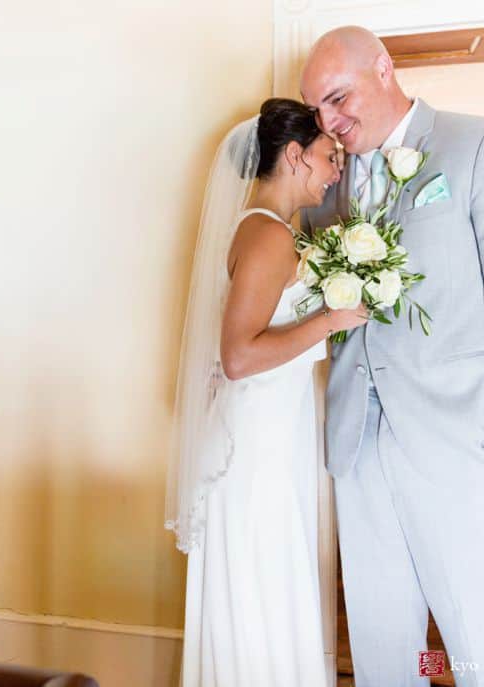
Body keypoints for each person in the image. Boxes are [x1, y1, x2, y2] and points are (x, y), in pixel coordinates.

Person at [300, 26, 484, 686]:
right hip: (358, 451)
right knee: (384, 653)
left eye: (338, 98)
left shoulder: (481, 145)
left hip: (463, 449)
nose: (329, 123)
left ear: (384, 69)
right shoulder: (327, 185)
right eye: (317, 111)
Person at [165, 97, 366, 687]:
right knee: (261, 583)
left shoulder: (276, 232)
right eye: (330, 157)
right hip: (255, 449)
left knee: (271, 580)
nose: (335, 172)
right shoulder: (268, 236)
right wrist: (331, 319)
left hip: (274, 435)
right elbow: (239, 356)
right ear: (295, 156)